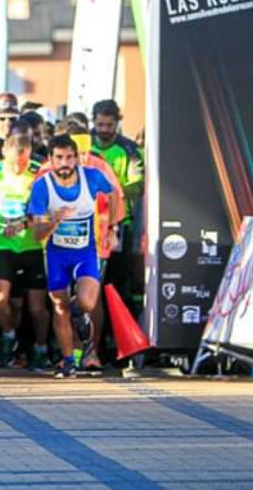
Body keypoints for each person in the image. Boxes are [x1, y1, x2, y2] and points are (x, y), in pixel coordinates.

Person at [29, 135, 118, 379]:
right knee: (59, 306)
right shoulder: (42, 186)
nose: (65, 163)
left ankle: (80, 317)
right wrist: (53, 221)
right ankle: (69, 360)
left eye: (69, 157)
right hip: (57, 255)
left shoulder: (91, 176)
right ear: (51, 160)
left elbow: (115, 194)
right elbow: (37, 233)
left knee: (86, 303)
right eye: (59, 158)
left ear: (77, 158)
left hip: (85, 252)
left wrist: (112, 227)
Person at [0, 133, 50, 371]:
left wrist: (23, 223)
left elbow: (44, 210)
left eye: (22, 162)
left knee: (37, 309)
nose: (17, 167)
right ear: (4, 153)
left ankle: (41, 348)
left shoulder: (39, 171)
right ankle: (9, 336)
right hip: (3, 246)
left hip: (32, 247)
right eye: (13, 162)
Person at [90, 99, 144, 364]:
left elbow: (137, 183)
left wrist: (114, 197)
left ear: (117, 123)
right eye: (100, 124)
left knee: (116, 284)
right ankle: (92, 346)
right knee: (91, 286)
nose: (104, 130)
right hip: (88, 226)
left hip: (119, 225)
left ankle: (118, 342)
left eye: (109, 125)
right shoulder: (83, 146)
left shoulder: (129, 149)